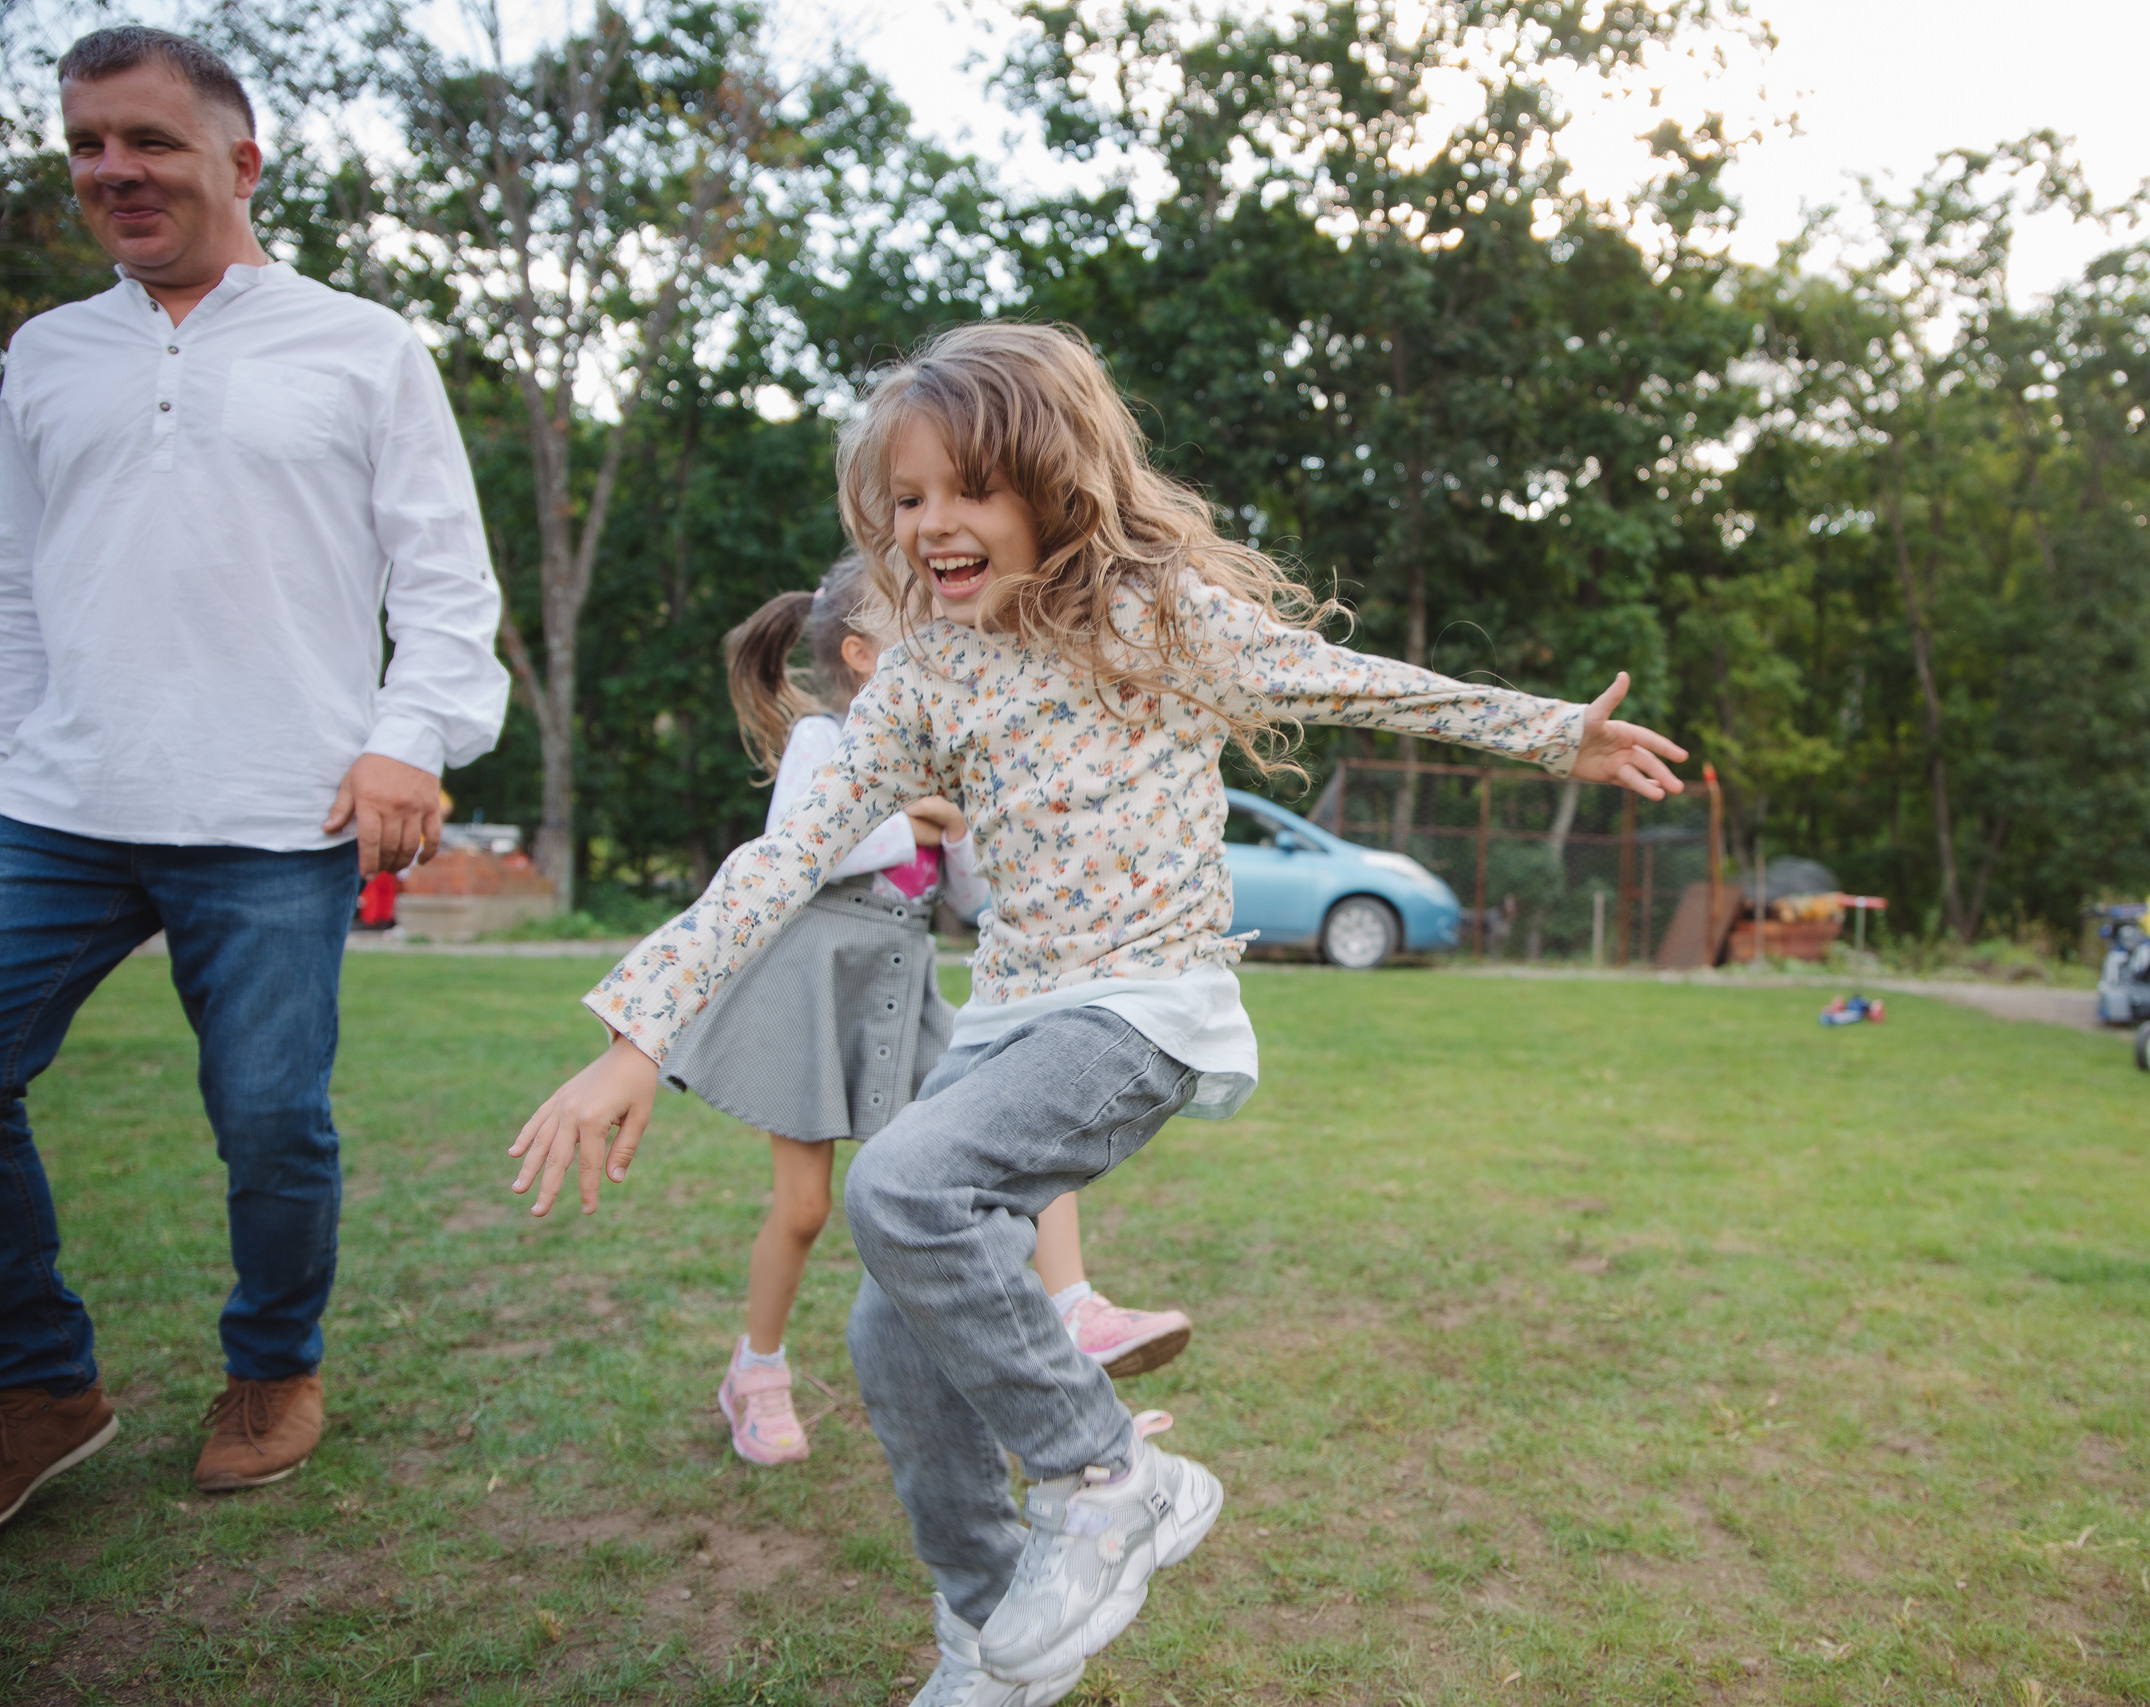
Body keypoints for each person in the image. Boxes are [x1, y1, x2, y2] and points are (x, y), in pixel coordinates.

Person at [506, 322, 1685, 1706]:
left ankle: (1109, 1472)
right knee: (891, 1324)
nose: (931, 523)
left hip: (1143, 1008)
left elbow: (1348, 677)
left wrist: (1553, 730)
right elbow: (780, 856)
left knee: (903, 1179)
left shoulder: (1159, 618)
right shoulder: (931, 671)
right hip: (1015, 1016)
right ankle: (992, 1625)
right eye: (905, 498)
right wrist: (631, 1038)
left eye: (964, 491)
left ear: (1048, 487)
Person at [0, 27, 508, 1524]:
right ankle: (40, 1381)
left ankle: (273, 1364)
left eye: (148, 140)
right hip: (60, 804)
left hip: (277, 809)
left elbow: (446, 582)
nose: (112, 171)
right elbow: (16, 589)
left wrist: (408, 737)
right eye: (87, 142)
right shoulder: (44, 354)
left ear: (240, 159)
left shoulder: (363, 345)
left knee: (271, 1117)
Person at [687, 561, 1193, 1465]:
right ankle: (755, 1371)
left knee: (1010, 1143)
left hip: (904, 983)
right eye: (922, 635)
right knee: (803, 1208)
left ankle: (1075, 1308)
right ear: (863, 653)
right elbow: (797, 845)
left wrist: (955, 827)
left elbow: (967, 892)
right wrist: (909, 817)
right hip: (814, 986)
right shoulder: (821, 737)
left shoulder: (941, 754)